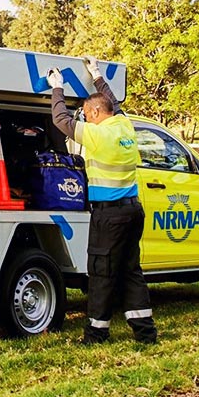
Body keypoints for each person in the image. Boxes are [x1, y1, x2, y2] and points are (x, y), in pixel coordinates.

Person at [48, 58, 156, 344]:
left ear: (95, 112)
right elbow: (113, 102)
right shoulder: (124, 126)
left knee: (101, 272)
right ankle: (145, 332)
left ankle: (96, 333)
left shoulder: (97, 134)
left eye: (85, 114)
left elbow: (60, 121)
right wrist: (96, 75)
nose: (84, 119)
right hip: (133, 212)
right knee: (131, 270)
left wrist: (56, 88)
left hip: (109, 216)